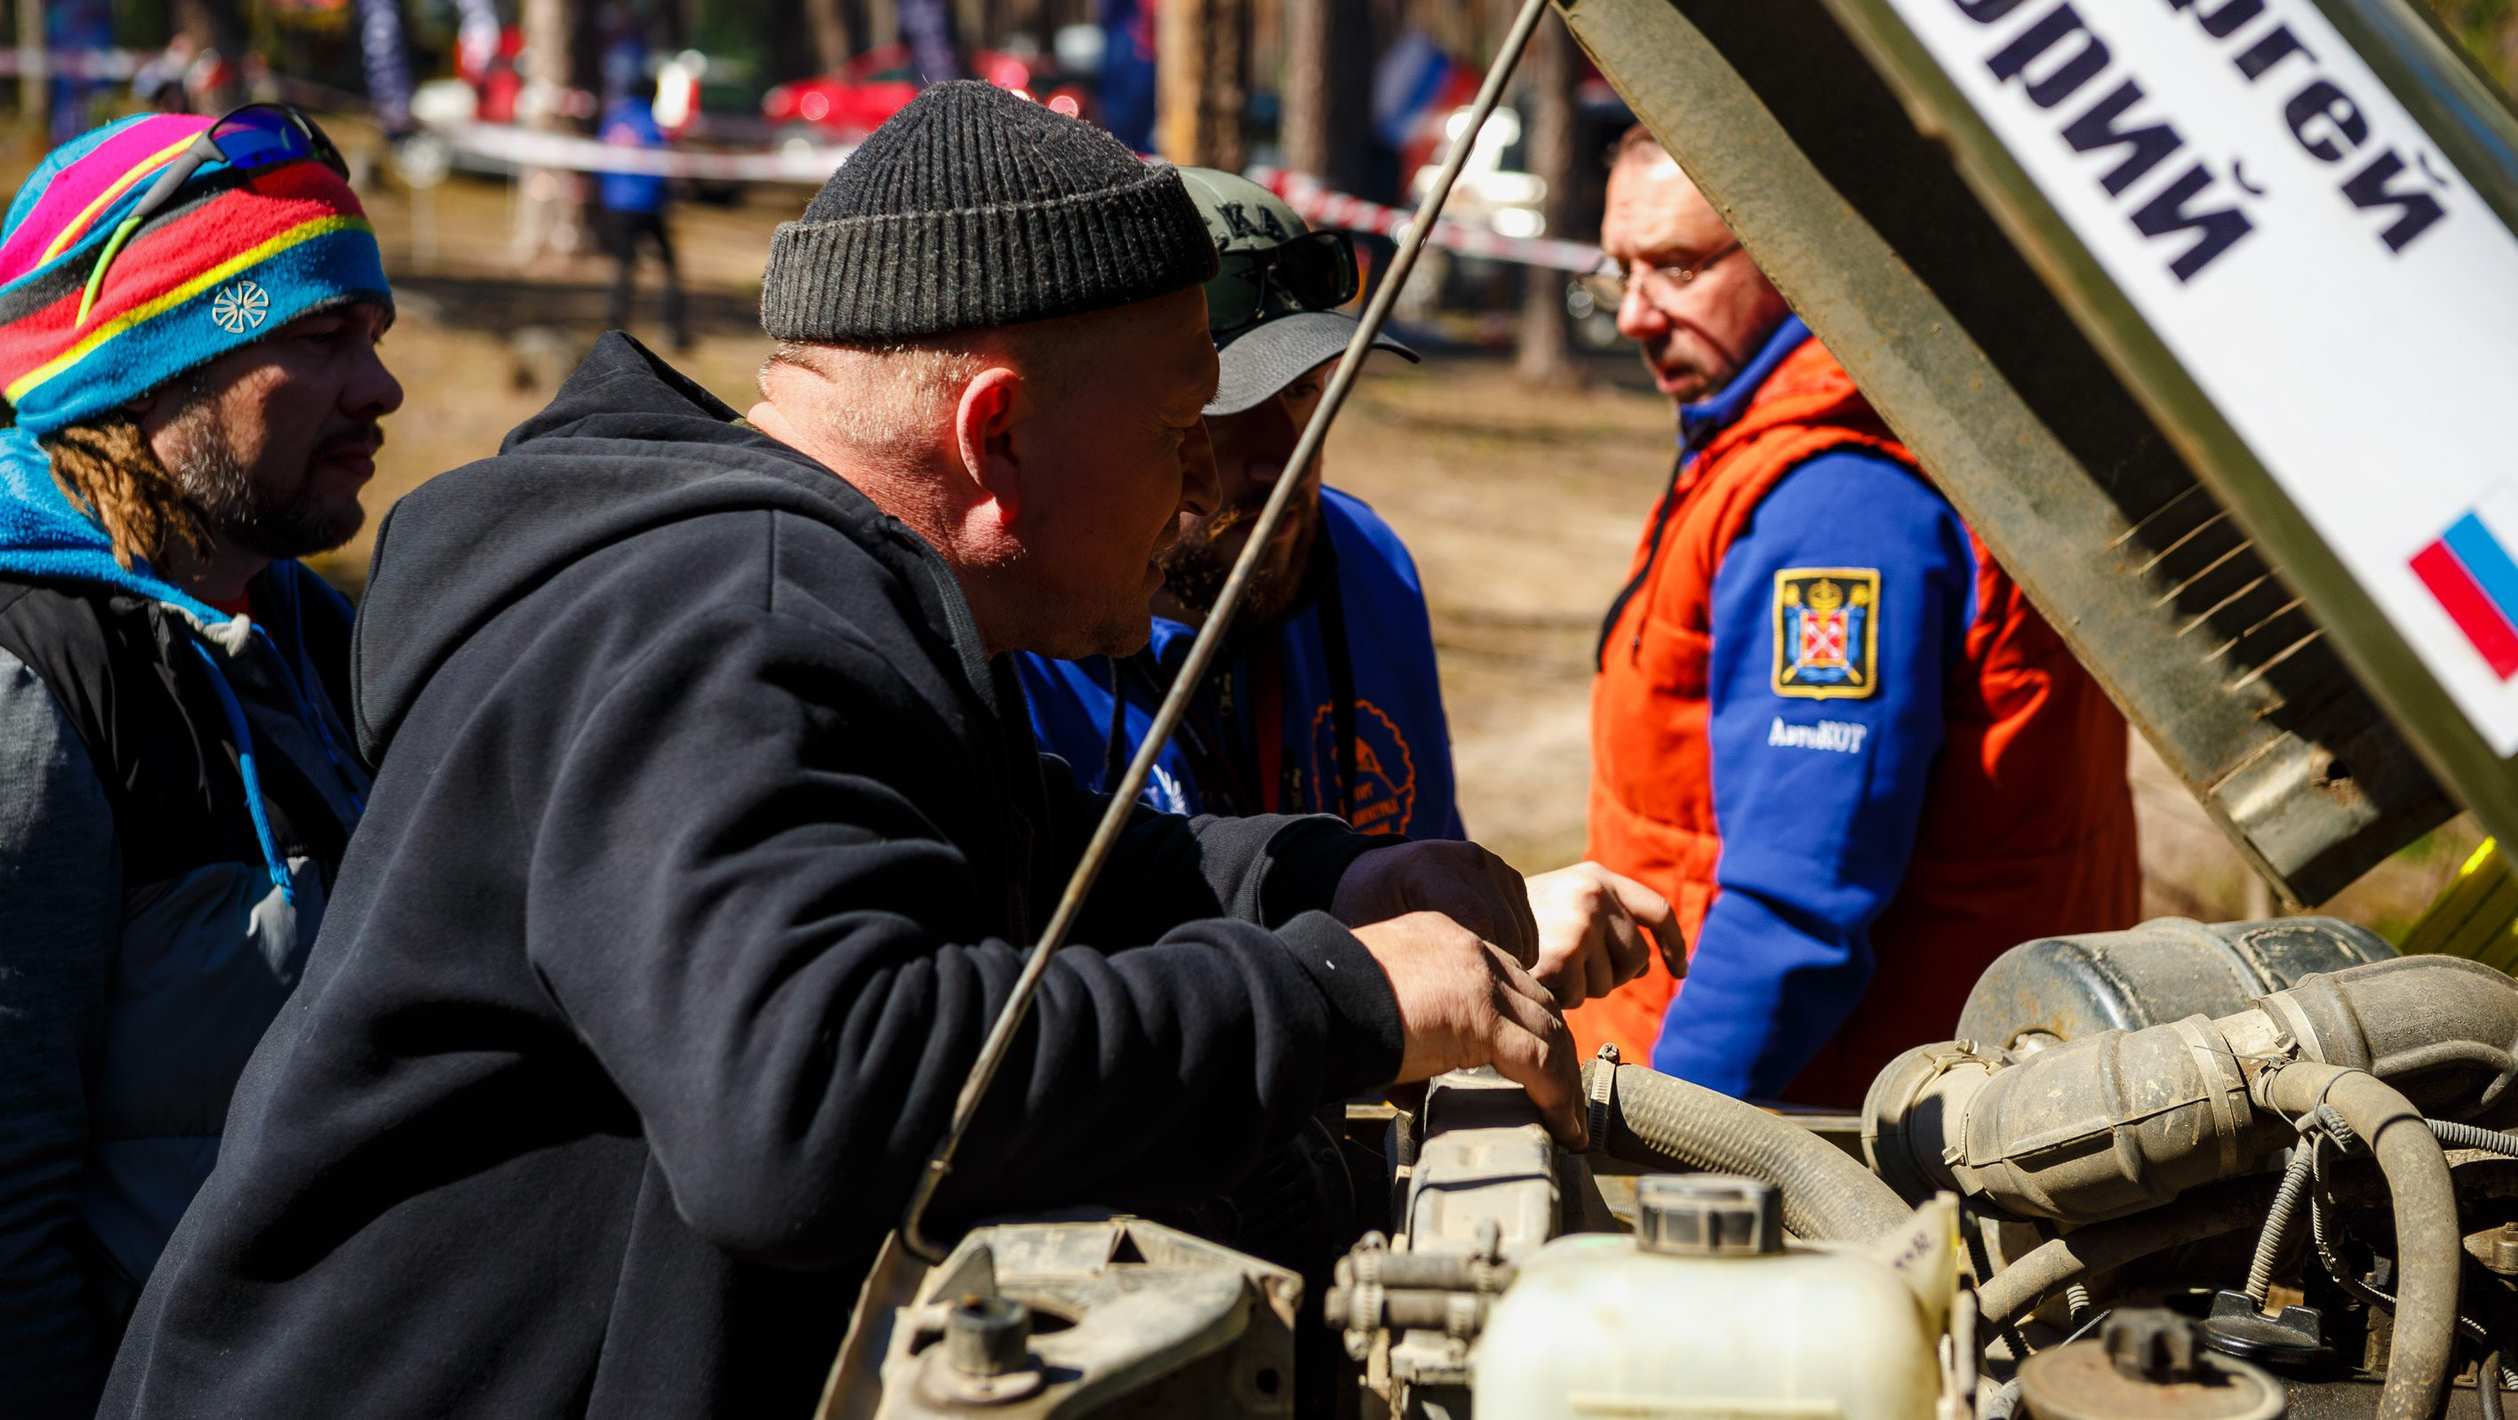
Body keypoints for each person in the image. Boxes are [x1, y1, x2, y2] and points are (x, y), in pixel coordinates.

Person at [102, 82, 1652, 1420]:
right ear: (993, 439)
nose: (1201, 493)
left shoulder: (798, 600)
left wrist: (1340, 870)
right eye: (1178, 428)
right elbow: (810, 1095)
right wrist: (1343, 997)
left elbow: (1059, 852)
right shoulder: (738, 624)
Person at [1568, 126, 2140, 1107]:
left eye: (1674, 267)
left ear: (1793, 251)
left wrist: (1656, 1141)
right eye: (1617, 270)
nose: (1632, 314)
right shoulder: (1802, 437)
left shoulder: (1838, 505)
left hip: (1808, 1130)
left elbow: (1796, 913)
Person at [1020, 167, 1682, 1009]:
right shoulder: (1023, 630)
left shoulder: (1366, 562)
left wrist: (1493, 926)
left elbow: (1427, 888)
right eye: (1218, 404)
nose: (1282, 455)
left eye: (1303, 390)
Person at [0, 108, 401, 1419]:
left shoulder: (311, 635)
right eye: (320, 335)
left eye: (376, 335)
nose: (381, 388)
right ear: (151, 372)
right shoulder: (35, 685)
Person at [595, 88, 688, 349]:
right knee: (669, 268)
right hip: (649, 205)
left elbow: (599, 161)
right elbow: (662, 166)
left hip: (617, 205)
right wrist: (669, 195)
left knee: (623, 267)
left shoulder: (614, 119)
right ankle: (674, 329)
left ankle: (614, 328)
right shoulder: (651, 122)